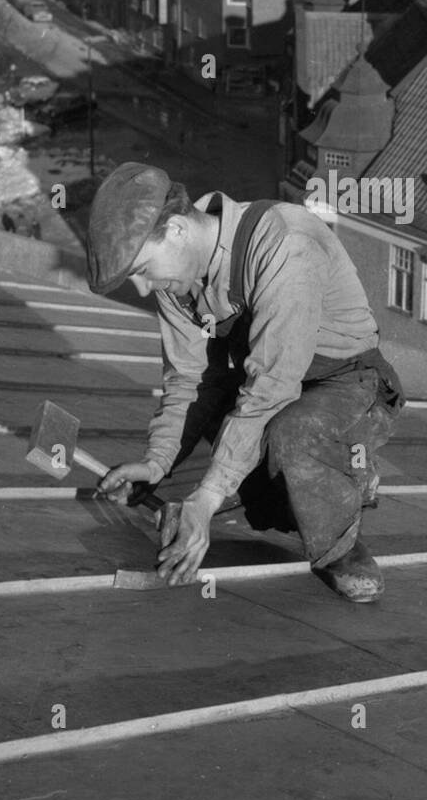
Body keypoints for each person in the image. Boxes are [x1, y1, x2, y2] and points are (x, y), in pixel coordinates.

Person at [84, 164, 404, 601]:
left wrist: (209, 495)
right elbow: (189, 380)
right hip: (277, 386)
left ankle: (340, 543)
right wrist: (157, 463)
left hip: (351, 386)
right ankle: (302, 489)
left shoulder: (285, 243)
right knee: (240, 431)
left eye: (141, 270)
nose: (143, 289)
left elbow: (273, 385)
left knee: (290, 435)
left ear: (176, 228)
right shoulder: (176, 281)